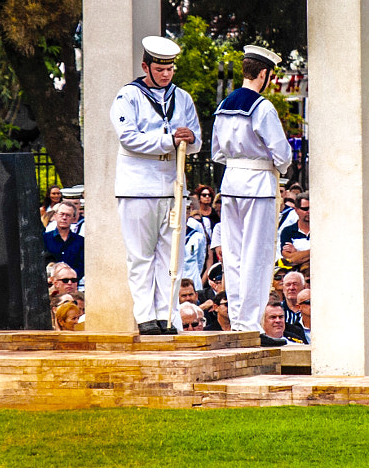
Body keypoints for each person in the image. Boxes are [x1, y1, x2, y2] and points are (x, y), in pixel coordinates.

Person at [113, 36, 202, 336]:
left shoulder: (183, 97)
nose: (166, 74)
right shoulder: (129, 96)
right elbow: (128, 137)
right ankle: (145, 316)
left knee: (170, 256)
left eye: (170, 69)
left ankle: (168, 316)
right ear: (145, 66)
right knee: (140, 256)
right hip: (138, 186)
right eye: (160, 69)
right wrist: (168, 140)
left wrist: (190, 139)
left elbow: (197, 139)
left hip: (173, 184)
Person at [211, 45, 292, 333]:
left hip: (231, 183)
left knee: (233, 256)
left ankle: (237, 320)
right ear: (264, 73)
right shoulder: (262, 107)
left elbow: (217, 152)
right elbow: (283, 154)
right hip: (258, 185)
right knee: (256, 257)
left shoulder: (223, 107)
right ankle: (249, 324)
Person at [42, 200, 85, 280]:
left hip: (72, 285)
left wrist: (69, 278)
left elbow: (82, 267)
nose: (64, 218)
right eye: (62, 214)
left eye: (68, 215)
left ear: (73, 218)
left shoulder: (81, 242)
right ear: (55, 215)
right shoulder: (44, 239)